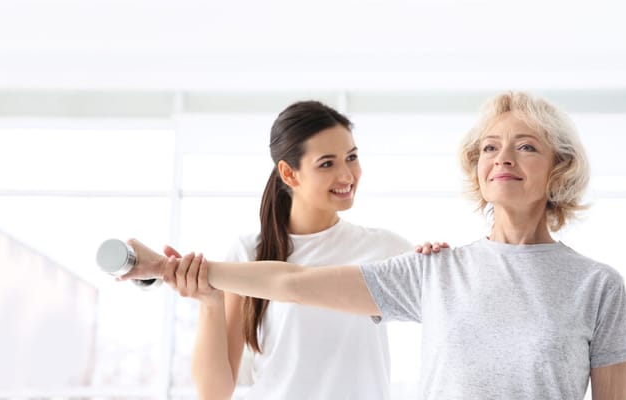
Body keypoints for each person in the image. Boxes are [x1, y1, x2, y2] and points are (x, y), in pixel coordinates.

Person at [122, 91, 626, 399]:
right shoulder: (434, 272)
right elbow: (290, 280)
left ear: (559, 169)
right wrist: (175, 270)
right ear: (476, 169)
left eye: (526, 147)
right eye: (489, 147)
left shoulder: (597, 285)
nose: (503, 157)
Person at [161, 100, 439, 399]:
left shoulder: (384, 247)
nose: (346, 175)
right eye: (327, 163)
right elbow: (214, 392)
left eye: (352, 157)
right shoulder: (249, 253)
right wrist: (209, 302)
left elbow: (445, 308)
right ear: (289, 173)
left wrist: (435, 262)